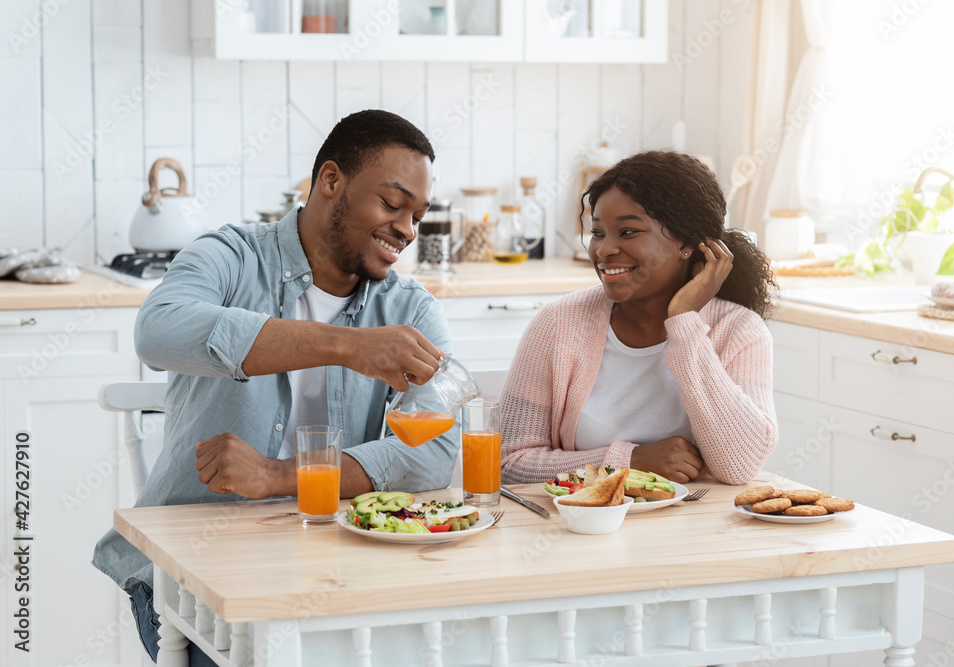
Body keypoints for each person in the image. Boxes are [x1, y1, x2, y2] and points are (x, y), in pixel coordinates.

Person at [92, 110, 455, 665]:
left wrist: (277, 477)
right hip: (192, 570)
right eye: (391, 204)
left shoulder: (408, 309)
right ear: (330, 181)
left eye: (417, 214)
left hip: (337, 565)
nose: (408, 229)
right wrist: (346, 345)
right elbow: (157, 329)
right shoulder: (230, 256)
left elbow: (434, 452)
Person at [499, 150, 778, 486]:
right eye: (599, 232)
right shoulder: (558, 324)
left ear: (687, 244)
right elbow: (511, 464)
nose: (603, 250)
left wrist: (684, 324)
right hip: (581, 530)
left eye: (628, 232)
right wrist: (628, 463)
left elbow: (740, 466)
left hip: (699, 531)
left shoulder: (739, 330)